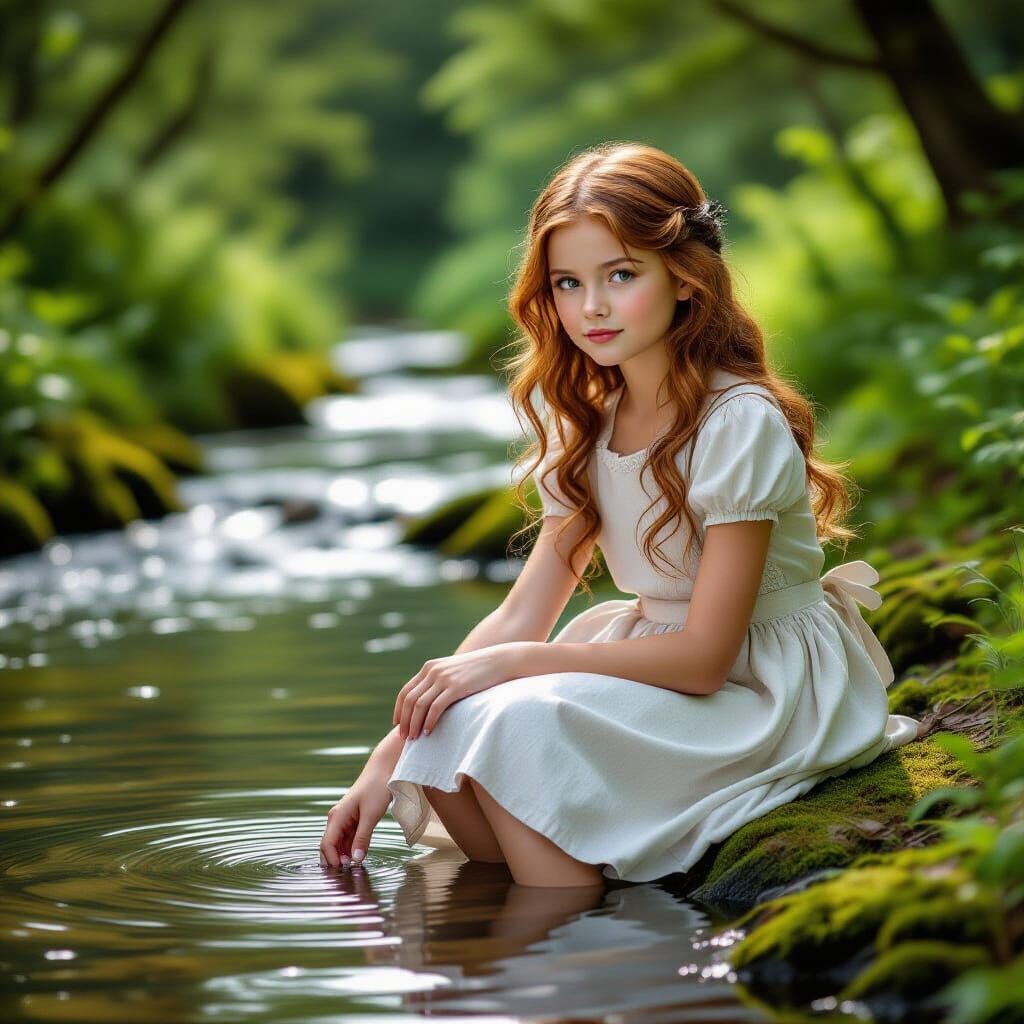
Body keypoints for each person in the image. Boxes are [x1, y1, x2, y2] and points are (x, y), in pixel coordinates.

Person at [319, 141, 920, 890]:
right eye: (569, 283)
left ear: (686, 280)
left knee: (516, 719)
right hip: (649, 655)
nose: (591, 307)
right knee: (456, 729)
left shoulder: (737, 422)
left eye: (621, 275)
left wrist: (518, 666)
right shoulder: (588, 423)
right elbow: (519, 618)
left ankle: (571, 949)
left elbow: (704, 658)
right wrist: (388, 758)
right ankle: (537, 949)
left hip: (759, 682)